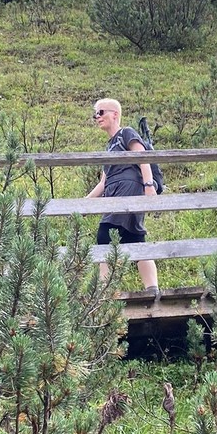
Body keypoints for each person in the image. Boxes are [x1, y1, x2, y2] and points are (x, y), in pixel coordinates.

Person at [85, 97, 159, 298]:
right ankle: (152, 289)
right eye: (95, 114)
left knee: (105, 235)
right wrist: (84, 205)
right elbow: (103, 183)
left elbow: (142, 156)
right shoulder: (109, 146)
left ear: (114, 114)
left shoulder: (126, 133)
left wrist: (149, 185)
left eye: (100, 112)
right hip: (115, 193)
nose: (96, 117)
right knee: (134, 237)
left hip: (128, 190)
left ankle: (105, 293)